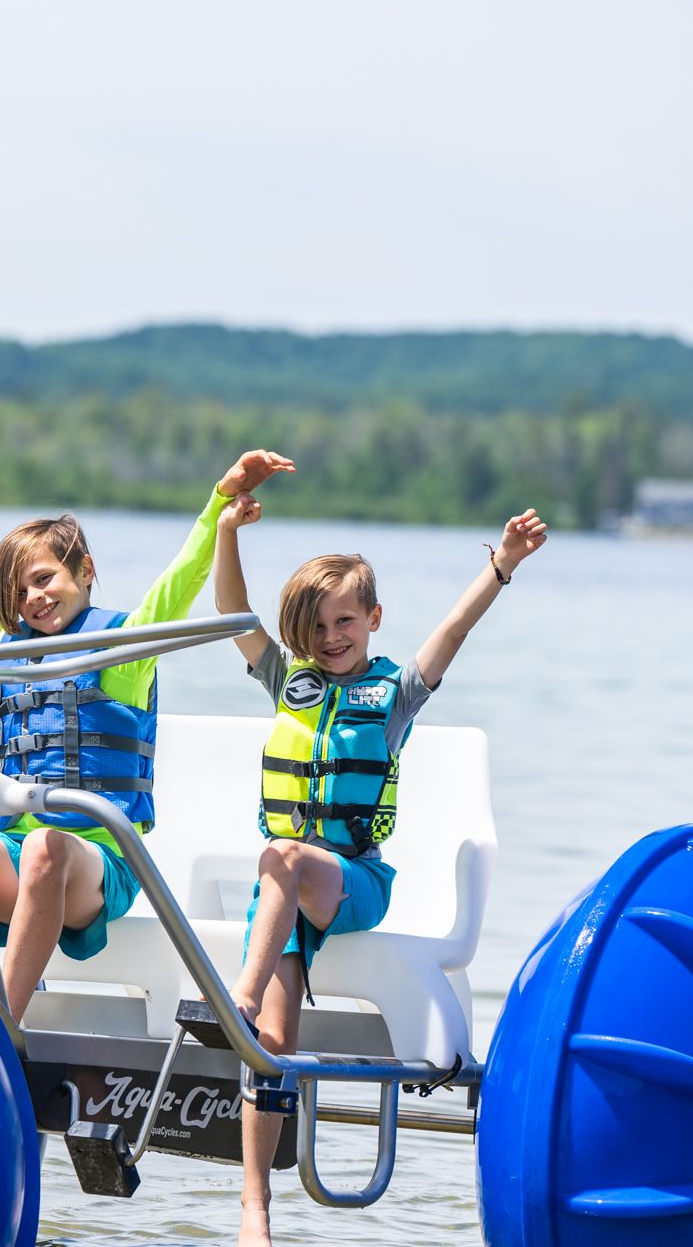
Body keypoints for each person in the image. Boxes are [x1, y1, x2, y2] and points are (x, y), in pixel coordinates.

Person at [212, 490, 548, 1247]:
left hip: (351, 883)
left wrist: (501, 564)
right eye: (319, 625)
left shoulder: (394, 694)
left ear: (373, 620)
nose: (332, 637)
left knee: (287, 856)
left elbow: (453, 629)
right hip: (283, 902)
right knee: (275, 1035)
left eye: (346, 621)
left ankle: (230, 997)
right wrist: (227, 531)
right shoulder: (284, 680)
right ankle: (254, 1209)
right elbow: (232, 609)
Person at [0, 428, 293, 1022]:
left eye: (45, 578)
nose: (33, 598)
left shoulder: (122, 647)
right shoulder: (5, 651)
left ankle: (1, 1027)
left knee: (49, 849)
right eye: (19, 590)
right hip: (18, 848)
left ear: (85, 570)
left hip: (101, 863)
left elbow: (180, 583)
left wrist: (217, 503)